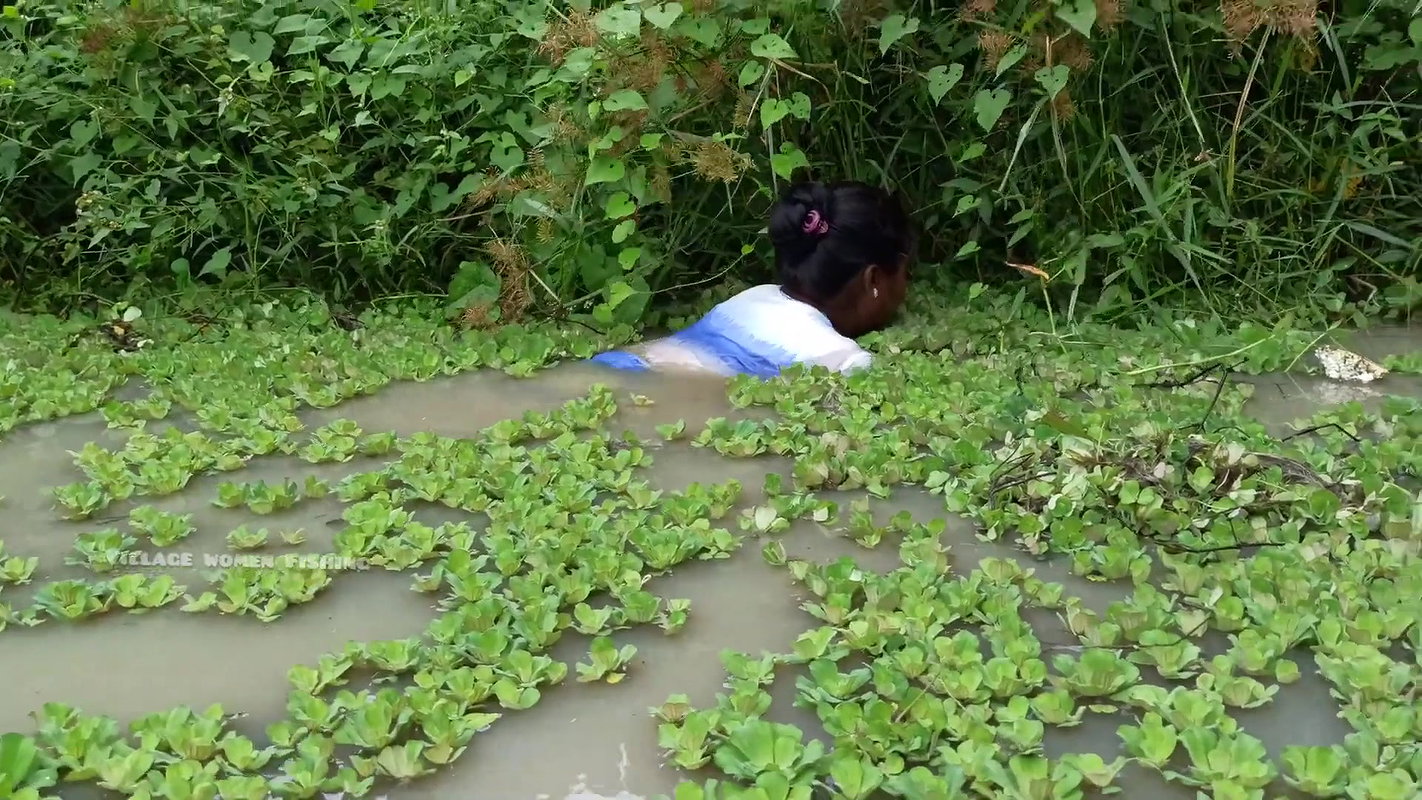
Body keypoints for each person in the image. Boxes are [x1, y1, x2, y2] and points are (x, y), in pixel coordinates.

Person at [590, 180, 917, 378]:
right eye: (905, 272)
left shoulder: (750, 300)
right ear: (874, 280)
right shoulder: (840, 359)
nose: (906, 289)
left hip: (608, 367)